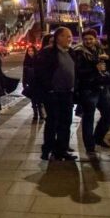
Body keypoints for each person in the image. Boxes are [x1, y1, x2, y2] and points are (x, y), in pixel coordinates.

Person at [35, 27, 76, 161]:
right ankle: (48, 148)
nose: (69, 39)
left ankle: (62, 149)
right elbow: (42, 73)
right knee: (53, 121)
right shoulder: (49, 53)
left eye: (70, 36)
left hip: (67, 93)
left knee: (66, 122)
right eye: (67, 36)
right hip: (53, 94)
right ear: (59, 37)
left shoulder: (71, 52)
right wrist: (49, 89)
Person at [73, 29, 110, 155]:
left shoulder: (100, 50)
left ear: (95, 39)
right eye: (86, 39)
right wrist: (94, 67)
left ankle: (98, 137)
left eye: (90, 39)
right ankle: (90, 146)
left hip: (102, 87)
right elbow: (79, 71)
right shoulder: (79, 53)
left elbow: (109, 67)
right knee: (88, 118)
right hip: (88, 89)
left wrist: (108, 61)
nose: (88, 41)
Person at [22, 45, 44, 122]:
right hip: (31, 83)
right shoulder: (26, 61)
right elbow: (24, 73)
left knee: (39, 99)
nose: (30, 52)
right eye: (29, 51)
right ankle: (35, 114)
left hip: (38, 82)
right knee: (33, 100)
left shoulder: (38, 59)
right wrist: (24, 83)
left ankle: (41, 114)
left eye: (32, 51)